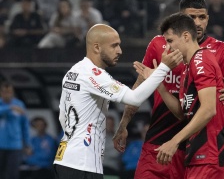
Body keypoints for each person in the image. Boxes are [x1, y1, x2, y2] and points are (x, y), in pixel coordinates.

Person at [113, 0, 224, 178]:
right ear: (181, 19)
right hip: (160, 139)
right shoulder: (161, 45)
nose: (198, 23)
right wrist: (123, 124)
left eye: (202, 17)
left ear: (208, 18)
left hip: (196, 146)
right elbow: (140, 87)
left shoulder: (217, 51)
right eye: (191, 18)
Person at [53, 23, 183, 179]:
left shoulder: (74, 71)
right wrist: (164, 68)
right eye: (114, 46)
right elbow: (134, 98)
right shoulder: (93, 74)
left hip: (66, 159)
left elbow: (63, 117)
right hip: (82, 164)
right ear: (97, 47)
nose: (119, 51)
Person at [136, 12, 224, 179]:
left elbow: (209, 110)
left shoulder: (201, 60)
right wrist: (159, 85)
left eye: (170, 41)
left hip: (211, 153)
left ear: (186, 36)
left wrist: (173, 142)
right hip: (197, 154)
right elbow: (182, 114)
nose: (167, 48)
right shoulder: (189, 67)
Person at [0, 81, 32, 179]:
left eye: (9, 92)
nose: (7, 94)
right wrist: (10, 108)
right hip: (0, 144)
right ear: (1, 93)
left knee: (12, 174)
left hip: (15, 145)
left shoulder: (19, 105)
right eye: (5, 92)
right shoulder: (11, 106)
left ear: (12, 93)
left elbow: (25, 126)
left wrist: (27, 144)